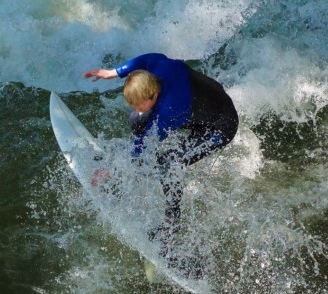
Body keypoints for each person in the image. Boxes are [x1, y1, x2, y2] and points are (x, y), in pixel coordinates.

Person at [84, 53, 238, 269]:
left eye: (140, 104)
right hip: (202, 105)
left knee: (169, 164)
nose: (137, 108)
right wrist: (113, 72)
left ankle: (169, 233)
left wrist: (110, 169)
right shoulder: (157, 67)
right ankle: (127, 174)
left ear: (154, 95)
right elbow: (145, 60)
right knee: (137, 120)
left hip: (220, 126)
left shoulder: (171, 109)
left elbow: (143, 146)